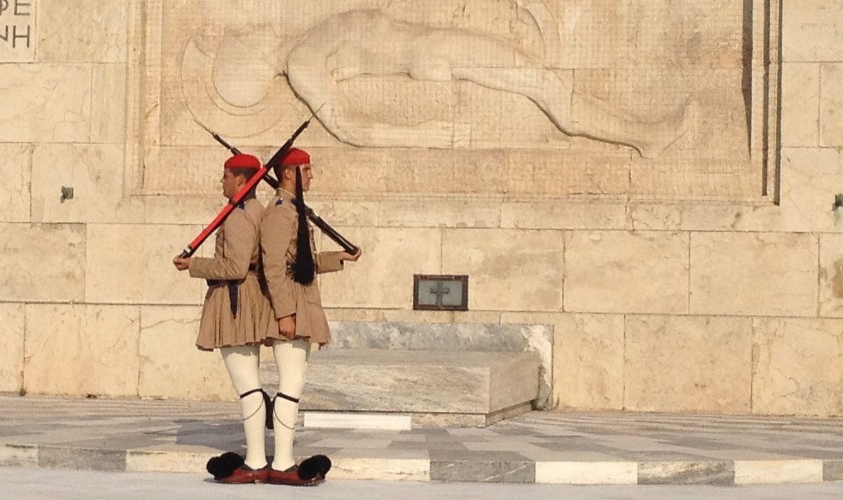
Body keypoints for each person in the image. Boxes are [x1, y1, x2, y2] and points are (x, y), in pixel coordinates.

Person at [205, 8, 692, 158]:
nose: (247, 28)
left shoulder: (306, 45)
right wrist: (421, 136)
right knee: (544, 85)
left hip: (433, 47)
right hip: (433, 50)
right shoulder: (304, 62)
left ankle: (643, 136)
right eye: (241, 39)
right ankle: (645, 137)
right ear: (251, 58)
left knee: (540, 83)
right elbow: (350, 128)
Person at [260, 147, 361, 486]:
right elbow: (274, 268)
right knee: (290, 383)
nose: (312, 175)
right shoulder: (278, 212)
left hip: (301, 301)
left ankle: (283, 458)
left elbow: (302, 260)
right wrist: (284, 314)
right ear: (288, 173)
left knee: (295, 383)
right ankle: (283, 461)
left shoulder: (292, 209)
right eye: (306, 169)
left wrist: (339, 258)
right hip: (291, 304)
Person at [172, 153, 274, 484]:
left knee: (247, 387)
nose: (222, 181)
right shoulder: (252, 210)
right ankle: (258, 453)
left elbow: (234, 267)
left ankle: (256, 460)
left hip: (237, 301)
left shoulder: (240, 216)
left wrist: (195, 266)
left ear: (242, 181)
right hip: (245, 298)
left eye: (226, 176)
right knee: (250, 384)